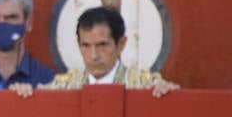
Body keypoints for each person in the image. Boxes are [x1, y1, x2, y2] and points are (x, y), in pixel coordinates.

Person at [11, 6, 179, 97]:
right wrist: (24, 92)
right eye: (86, 45)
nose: (94, 56)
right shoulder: (62, 86)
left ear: (121, 44)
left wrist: (169, 93)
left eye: (102, 45)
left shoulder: (145, 85)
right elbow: (36, 100)